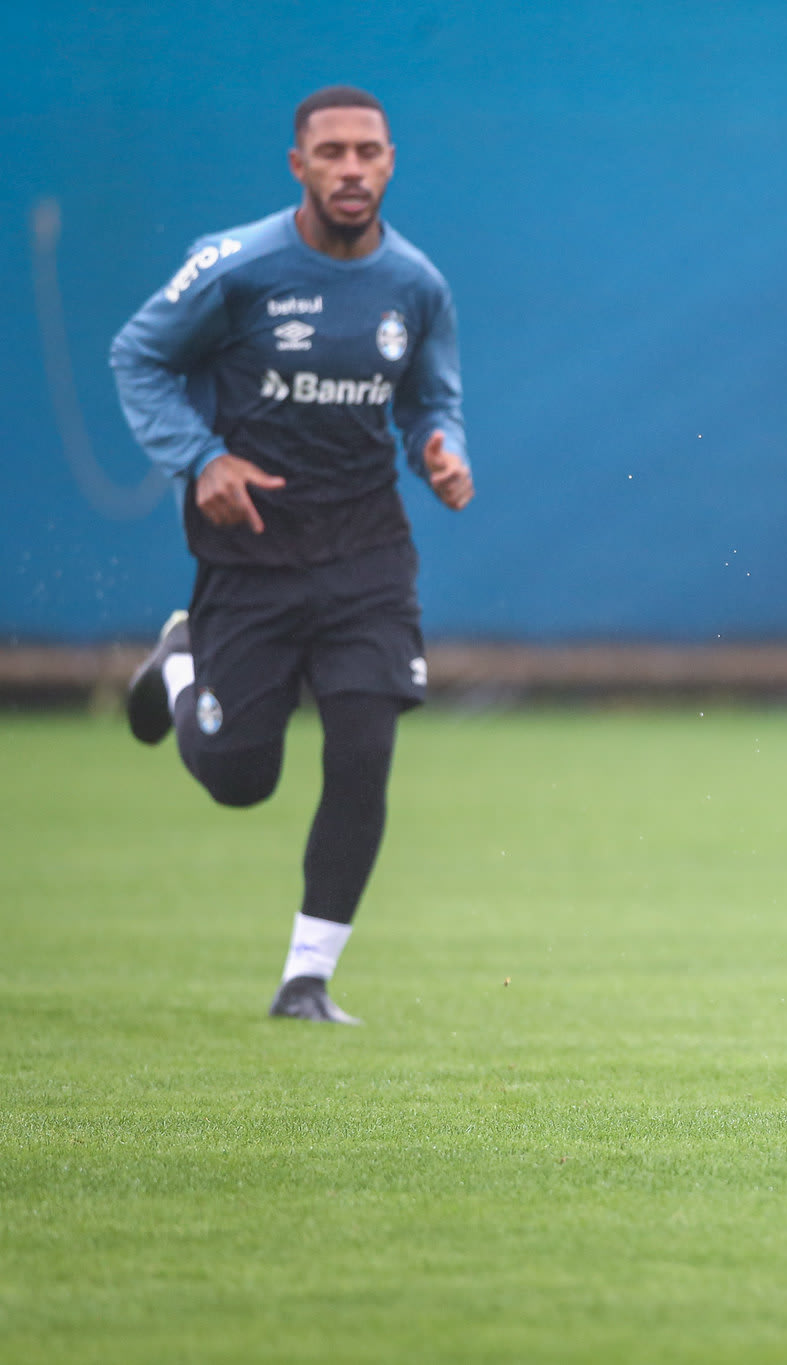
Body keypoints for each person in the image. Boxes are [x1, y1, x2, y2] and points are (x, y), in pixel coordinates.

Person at [111, 85, 474, 1024]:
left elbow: (431, 400)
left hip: (366, 554)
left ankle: (306, 979)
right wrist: (199, 460)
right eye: (332, 153)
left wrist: (442, 449)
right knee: (241, 779)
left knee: (364, 751)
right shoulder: (237, 267)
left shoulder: (416, 285)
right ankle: (181, 660)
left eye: (369, 152)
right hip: (254, 551)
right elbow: (137, 356)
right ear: (299, 166)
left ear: (391, 161)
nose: (352, 169)